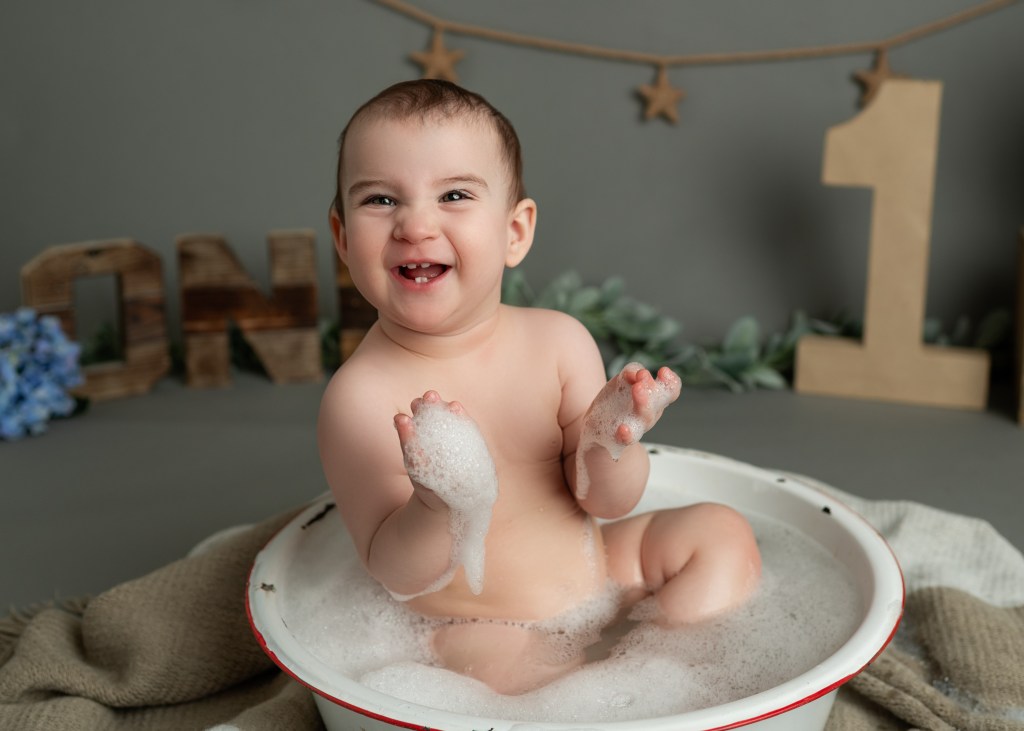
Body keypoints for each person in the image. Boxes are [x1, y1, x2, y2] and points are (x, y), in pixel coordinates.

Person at [317, 79, 761, 695]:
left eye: (453, 194)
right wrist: (438, 504)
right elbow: (396, 572)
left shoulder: (557, 343)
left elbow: (605, 504)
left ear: (515, 232)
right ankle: (598, 692)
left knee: (721, 534)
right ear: (343, 239)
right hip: (477, 620)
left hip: (597, 569)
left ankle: (674, 665)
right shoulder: (359, 397)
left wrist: (609, 440)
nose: (415, 225)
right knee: (517, 681)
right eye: (381, 200)